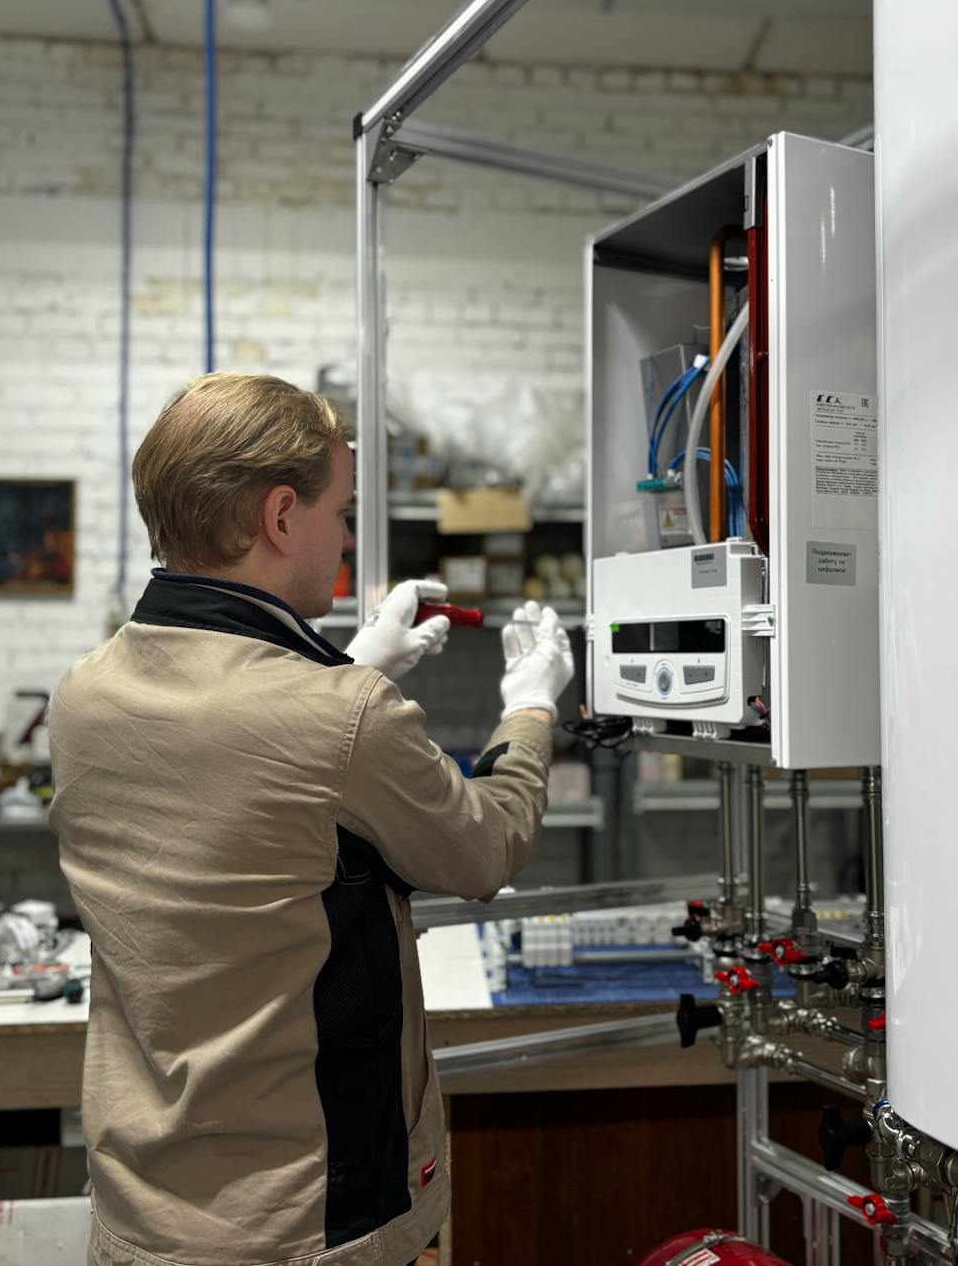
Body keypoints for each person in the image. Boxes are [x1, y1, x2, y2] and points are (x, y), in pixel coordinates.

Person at [48, 372, 574, 1266]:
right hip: (301, 1222)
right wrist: (529, 707)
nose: (347, 539)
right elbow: (483, 847)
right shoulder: (341, 717)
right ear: (282, 516)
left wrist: (349, 662)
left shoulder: (85, 691)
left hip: (141, 1209)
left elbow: (244, 771)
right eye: (342, 511)